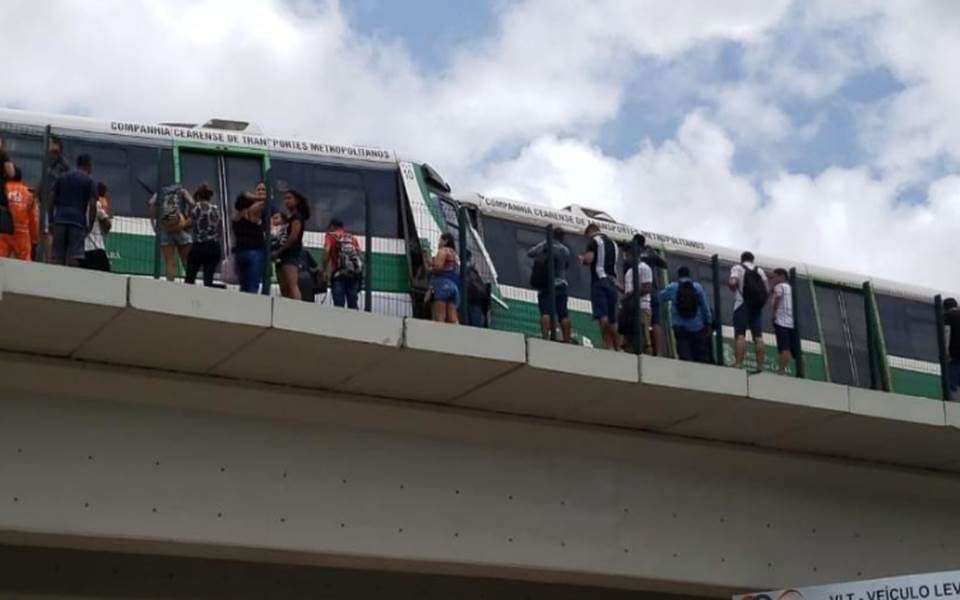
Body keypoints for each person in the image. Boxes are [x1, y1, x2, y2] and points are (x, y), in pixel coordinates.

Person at [659, 266, 713, 363]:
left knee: (684, 355)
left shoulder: (673, 287)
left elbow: (660, 297)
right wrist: (708, 322)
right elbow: (705, 307)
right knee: (699, 356)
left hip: (680, 328)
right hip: (697, 327)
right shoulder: (698, 287)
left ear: (678, 276)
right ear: (689, 275)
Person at [51, 154, 97, 267]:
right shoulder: (89, 181)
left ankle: (54, 280)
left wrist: (51, 218)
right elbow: (92, 206)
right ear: (89, 166)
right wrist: (89, 225)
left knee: (57, 255)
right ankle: (70, 282)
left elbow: (51, 197)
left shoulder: (62, 177)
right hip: (78, 221)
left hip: (60, 219)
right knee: (75, 255)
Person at [527, 227, 572, 342]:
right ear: (562, 237)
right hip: (561, 284)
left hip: (546, 284)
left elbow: (530, 253)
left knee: (545, 312)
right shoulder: (566, 250)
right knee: (563, 314)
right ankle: (567, 339)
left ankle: (545, 337)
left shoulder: (546, 245)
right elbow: (566, 265)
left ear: (552, 235)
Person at [579, 223, 619, 350]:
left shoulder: (594, 241)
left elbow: (589, 259)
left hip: (599, 281)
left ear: (590, 231)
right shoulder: (614, 244)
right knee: (613, 319)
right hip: (612, 283)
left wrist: (582, 259)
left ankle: (608, 345)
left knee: (603, 315)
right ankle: (617, 346)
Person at [729, 251, 769, 371]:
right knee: (758, 337)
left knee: (740, 335)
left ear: (742, 259)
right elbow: (767, 289)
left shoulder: (737, 268)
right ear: (752, 260)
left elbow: (732, 282)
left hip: (742, 304)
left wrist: (733, 286)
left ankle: (739, 364)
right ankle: (760, 366)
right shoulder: (760, 270)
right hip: (756, 307)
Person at [148, 183, 194, 281]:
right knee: (186, 261)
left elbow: (151, 203)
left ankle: (170, 285)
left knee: (169, 262)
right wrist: (187, 219)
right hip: (181, 228)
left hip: (166, 229)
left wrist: (154, 223)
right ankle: (190, 283)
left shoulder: (160, 192)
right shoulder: (182, 191)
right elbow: (192, 203)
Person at [619, 235, 654, 354]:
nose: (625, 257)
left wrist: (630, 295)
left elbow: (647, 287)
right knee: (628, 337)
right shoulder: (629, 271)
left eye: (627, 254)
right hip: (629, 308)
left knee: (644, 337)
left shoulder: (644, 268)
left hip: (642, 307)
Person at [273, 190, 310, 300]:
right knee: (284, 287)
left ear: (297, 201)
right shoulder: (288, 218)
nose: (286, 201)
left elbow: (293, 237)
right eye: (285, 199)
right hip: (282, 256)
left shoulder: (297, 218)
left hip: (290, 255)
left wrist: (279, 251)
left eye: (289, 198)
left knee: (291, 284)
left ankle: (296, 307)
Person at [232, 182, 267, 294]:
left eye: (263, 190)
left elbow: (242, 195)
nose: (260, 193)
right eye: (259, 190)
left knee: (243, 286)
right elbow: (264, 201)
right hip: (254, 251)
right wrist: (262, 196)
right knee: (253, 287)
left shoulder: (236, 216)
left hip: (240, 252)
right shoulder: (253, 211)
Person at [183, 183, 221, 286]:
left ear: (198, 196)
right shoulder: (215, 209)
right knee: (208, 279)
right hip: (214, 246)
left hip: (200, 246)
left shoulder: (197, 207)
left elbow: (188, 224)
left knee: (190, 276)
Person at [0, 167, 39, 260]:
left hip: (4, 230)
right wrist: (34, 240)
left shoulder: (3, 189)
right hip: (22, 233)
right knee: (25, 263)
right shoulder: (28, 194)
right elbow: (34, 219)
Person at [324, 218, 363, 309]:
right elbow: (359, 255)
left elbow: (326, 251)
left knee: (339, 307)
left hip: (338, 275)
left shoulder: (330, 236)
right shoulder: (351, 238)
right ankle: (354, 322)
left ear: (332, 226)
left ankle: (339, 322)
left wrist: (323, 269)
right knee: (353, 305)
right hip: (353, 275)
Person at [427, 232, 460, 323]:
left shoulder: (443, 251)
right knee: (452, 318)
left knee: (439, 316)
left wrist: (430, 269)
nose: (438, 243)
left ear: (445, 241)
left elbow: (439, 267)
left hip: (442, 284)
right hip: (453, 286)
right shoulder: (454, 254)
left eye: (440, 240)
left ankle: (439, 336)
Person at [79, 182, 111, 271]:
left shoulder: (75, 205)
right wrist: (106, 230)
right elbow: (107, 223)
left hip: (79, 248)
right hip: (95, 246)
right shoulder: (96, 204)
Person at [771, 268, 795, 374]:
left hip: (781, 321)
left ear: (782, 276)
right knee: (794, 349)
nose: (774, 279)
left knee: (783, 348)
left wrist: (774, 313)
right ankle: (802, 372)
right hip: (791, 322)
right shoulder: (790, 288)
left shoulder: (779, 286)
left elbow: (777, 298)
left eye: (775, 276)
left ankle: (781, 370)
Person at [944, 298, 960, 402]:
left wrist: (946, 352)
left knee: (952, 383)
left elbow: (946, 332)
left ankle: (954, 405)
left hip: (954, 355)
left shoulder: (948, 316)